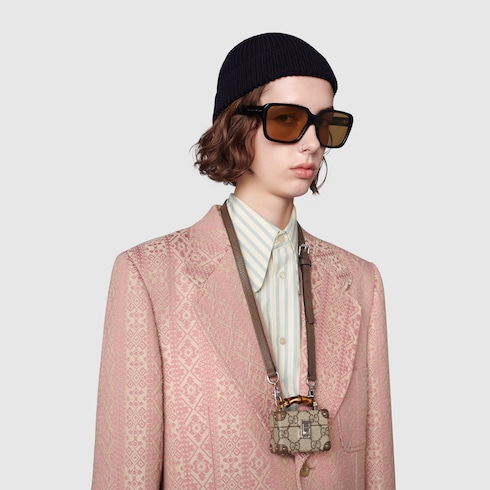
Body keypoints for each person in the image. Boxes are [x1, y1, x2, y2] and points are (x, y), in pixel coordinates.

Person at [91, 32, 395, 489]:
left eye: (327, 124)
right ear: (237, 124)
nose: (312, 143)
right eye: (288, 119)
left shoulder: (361, 281)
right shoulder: (149, 277)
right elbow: (125, 472)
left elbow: (378, 466)